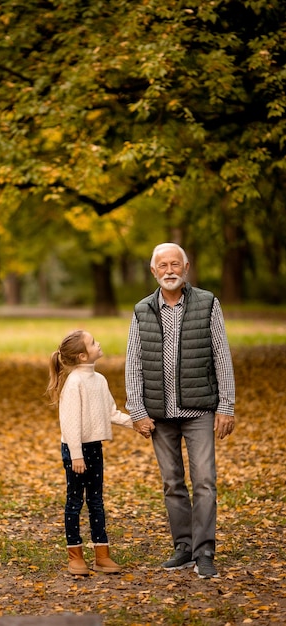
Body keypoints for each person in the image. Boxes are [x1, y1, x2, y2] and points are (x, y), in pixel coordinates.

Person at [125, 242, 235, 579]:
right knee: (173, 483)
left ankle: (204, 552)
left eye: (176, 264)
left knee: (204, 480)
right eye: (163, 265)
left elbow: (221, 353)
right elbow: (133, 364)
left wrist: (226, 405)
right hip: (159, 414)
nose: (170, 270)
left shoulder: (207, 303)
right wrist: (137, 411)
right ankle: (183, 547)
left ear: (186, 268)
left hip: (200, 409)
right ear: (153, 271)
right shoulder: (142, 309)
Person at [47, 329, 134, 576]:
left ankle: (102, 556)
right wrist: (75, 455)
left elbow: (110, 413)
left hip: (94, 447)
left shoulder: (100, 380)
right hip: (75, 450)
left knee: (96, 500)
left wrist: (137, 423)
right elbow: (70, 423)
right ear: (83, 356)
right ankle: (75, 556)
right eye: (93, 343)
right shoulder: (74, 383)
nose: (99, 344)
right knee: (75, 501)